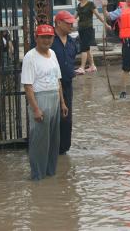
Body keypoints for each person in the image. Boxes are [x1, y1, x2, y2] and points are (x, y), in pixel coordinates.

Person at [21, 25, 69, 181]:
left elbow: (58, 80)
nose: (47, 40)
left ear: (53, 39)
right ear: (37, 38)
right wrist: (35, 109)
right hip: (40, 99)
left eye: (49, 37)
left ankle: (50, 173)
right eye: (43, 37)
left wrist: (62, 103)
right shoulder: (30, 57)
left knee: (53, 141)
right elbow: (28, 86)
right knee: (39, 140)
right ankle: (37, 175)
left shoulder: (53, 54)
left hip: (54, 97)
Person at [51, 11, 78, 155]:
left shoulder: (72, 41)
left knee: (66, 118)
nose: (71, 25)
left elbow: (73, 58)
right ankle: (51, 147)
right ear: (59, 23)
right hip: (50, 84)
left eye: (71, 22)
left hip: (67, 84)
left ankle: (64, 149)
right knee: (51, 116)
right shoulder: (49, 40)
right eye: (68, 23)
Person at [74, 0, 111, 75]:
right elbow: (74, 18)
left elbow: (98, 15)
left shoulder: (90, 4)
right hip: (81, 29)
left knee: (84, 48)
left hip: (88, 29)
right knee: (87, 49)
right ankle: (92, 66)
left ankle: (82, 68)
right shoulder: (79, 5)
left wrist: (106, 25)